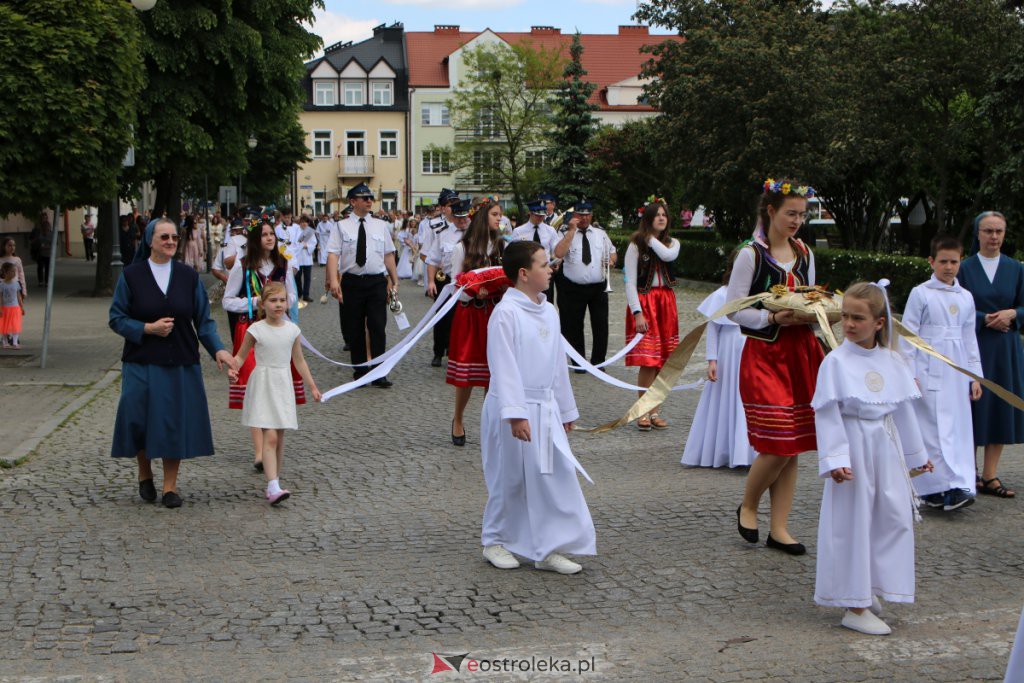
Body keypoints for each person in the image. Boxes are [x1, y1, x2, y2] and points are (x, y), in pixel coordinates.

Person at [813, 282, 933, 636]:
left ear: (879, 323)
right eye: (845, 317)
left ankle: (871, 587)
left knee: (891, 517)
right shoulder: (835, 362)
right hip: (853, 448)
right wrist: (835, 458)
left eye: (858, 318)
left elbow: (902, 409)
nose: (848, 324)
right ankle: (854, 603)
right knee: (854, 521)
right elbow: (827, 413)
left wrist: (917, 455)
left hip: (885, 446)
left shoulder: (894, 360)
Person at [480, 240, 596, 574]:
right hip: (512, 408)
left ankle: (548, 546)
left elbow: (557, 364)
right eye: (544, 264)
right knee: (509, 477)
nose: (550, 269)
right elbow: (504, 367)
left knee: (549, 475)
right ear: (523, 273)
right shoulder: (505, 314)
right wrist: (515, 415)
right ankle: (495, 539)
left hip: (544, 408)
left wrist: (565, 410)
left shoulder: (549, 310)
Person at [109, 218, 235, 508]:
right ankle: (144, 472)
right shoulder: (131, 275)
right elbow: (116, 318)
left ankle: (170, 487)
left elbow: (203, 322)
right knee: (138, 419)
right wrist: (147, 329)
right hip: (140, 362)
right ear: (150, 240)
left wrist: (218, 350)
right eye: (164, 236)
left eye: (175, 237)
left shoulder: (188, 277)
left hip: (180, 360)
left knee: (172, 423)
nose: (170, 241)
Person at [729, 179, 823, 555]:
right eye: (791, 213)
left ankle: (779, 527)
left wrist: (818, 317)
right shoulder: (750, 254)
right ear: (770, 211)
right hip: (766, 355)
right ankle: (749, 504)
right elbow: (734, 309)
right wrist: (771, 320)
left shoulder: (804, 253)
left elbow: (813, 300)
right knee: (779, 443)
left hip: (801, 354)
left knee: (794, 443)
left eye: (802, 214)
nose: (797, 221)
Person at [901, 234, 983, 511]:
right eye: (943, 261)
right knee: (933, 430)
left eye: (954, 262)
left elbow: (969, 338)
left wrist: (974, 376)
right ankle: (936, 488)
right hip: (928, 371)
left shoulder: (966, 297)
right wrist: (909, 372)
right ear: (931, 261)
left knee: (957, 429)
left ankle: (958, 483)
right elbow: (908, 336)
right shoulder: (921, 293)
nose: (949, 267)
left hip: (956, 373)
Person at [229, 282, 321, 505]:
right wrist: (234, 369)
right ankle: (273, 485)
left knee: (279, 437)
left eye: (282, 300)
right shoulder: (256, 329)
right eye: (273, 301)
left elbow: (299, 361)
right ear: (263, 304)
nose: (278, 305)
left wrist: (312, 386)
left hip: (282, 384)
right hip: (263, 384)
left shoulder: (292, 330)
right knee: (269, 435)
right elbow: (241, 356)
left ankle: (275, 481)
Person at [223, 220, 302, 470]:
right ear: (255, 240)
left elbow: (291, 295)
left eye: (272, 234)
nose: (269, 238)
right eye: (264, 235)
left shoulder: (283, 264)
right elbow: (227, 301)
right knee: (255, 387)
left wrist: (280, 304)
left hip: (277, 331)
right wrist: (255, 302)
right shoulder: (243, 266)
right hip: (250, 330)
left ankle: (271, 448)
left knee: (274, 386)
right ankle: (259, 452)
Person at [958, 211, 1024, 499]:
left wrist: (1013, 314)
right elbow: (954, 306)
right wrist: (983, 318)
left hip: (1006, 348)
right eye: (988, 231)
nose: (994, 237)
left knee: (998, 406)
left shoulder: (1016, 268)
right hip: (974, 344)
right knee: (972, 408)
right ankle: (967, 472)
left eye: (999, 231)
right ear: (978, 233)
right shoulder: (964, 268)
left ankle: (990, 475)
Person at [681, 251, 756, 468]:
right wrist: (712, 359)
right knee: (728, 397)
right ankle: (726, 450)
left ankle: (750, 451)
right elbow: (713, 328)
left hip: (753, 348)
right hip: (729, 350)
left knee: (749, 397)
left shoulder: (759, 294)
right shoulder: (722, 294)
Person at [327, 184, 400, 388]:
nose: (369, 201)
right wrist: (334, 280)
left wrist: (395, 280)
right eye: (364, 197)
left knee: (378, 326)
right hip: (352, 281)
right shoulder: (340, 226)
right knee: (355, 328)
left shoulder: (380, 225)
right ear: (352, 201)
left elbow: (388, 254)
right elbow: (333, 254)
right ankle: (360, 371)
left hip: (376, 281)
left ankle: (379, 372)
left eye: (370, 198)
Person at [448, 198, 507, 446]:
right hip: (470, 314)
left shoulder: (500, 246)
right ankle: (458, 418)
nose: (499, 219)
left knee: (492, 374)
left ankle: (489, 423)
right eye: (495, 214)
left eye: (500, 215)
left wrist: (500, 287)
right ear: (483, 217)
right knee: (468, 374)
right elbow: (455, 285)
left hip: (494, 313)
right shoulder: (462, 247)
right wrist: (474, 291)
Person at [624, 199, 680, 430]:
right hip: (646, 303)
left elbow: (667, 256)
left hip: (666, 302)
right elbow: (629, 281)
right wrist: (637, 312)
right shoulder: (635, 245)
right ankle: (642, 411)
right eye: (656, 215)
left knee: (662, 362)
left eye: (664, 215)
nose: (661, 218)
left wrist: (649, 238)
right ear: (647, 219)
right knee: (648, 361)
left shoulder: (672, 243)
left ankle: (656, 410)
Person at [553, 199, 617, 369]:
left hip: (598, 287)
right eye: (580, 214)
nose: (584, 218)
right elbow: (558, 253)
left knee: (600, 324)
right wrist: (571, 232)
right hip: (572, 287)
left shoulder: (600, 233)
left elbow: (612, 252)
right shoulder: (564, 233)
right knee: (573, 325)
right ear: (574, 215)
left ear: (591, 215)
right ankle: (579, 362)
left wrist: (611, 261)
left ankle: (599, 361)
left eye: (587, 214)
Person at [425, 189, 463, 367]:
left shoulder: (471, 230)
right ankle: (438, 351)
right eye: (450, 205)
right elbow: (428, 256)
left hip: (465, 281)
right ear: (443, 208)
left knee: (461, 318)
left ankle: (456, 351)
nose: (454, 208)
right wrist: (431, 280)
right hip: (445, 279)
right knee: (441, 316)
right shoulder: (438, 230)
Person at [512, 199, 560, 302]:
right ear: (530, 213)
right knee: (526, 301)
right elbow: (513, 253)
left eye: (542, 215)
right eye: (537, 215)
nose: (541, 218)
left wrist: (555, 261)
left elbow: (556, 250)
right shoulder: (518, 231)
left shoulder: (550, 230)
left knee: (546, 302)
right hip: (527, 274)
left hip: (545, 272)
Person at [293, 215, 317, 303]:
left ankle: (306, 295)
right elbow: (294, 242)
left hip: (307, 257)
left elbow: (314, 242)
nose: (303, 224)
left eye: (305, 222)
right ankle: (299, 293)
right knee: (297, 277)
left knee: (307, 278)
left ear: (308, 223)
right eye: (302, 222)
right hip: (298, 258)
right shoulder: (296, 231)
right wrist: (300, 246)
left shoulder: (310, 232)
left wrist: (307, 246)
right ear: (300, 223)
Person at [1, 262, 25, 348]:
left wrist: (21, 307)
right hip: (5, 308)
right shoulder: (2, 284)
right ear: (5, 272)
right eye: (12, 271)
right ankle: (5, 342)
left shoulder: (16, 283)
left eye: (14, 271)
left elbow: (19, 296)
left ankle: (15, 342)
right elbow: (0, 297)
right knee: (4, 325)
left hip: (15, 308)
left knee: (15, 325)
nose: (14, 273)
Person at [0, 238, 28, 303]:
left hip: (15, 287)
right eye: (9, 245)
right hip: (3, 287)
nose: (12, 247)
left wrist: (23, 290)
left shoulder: (17, 260)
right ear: (4, 246)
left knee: (15, 307)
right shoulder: (0, 260)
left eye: (14, 245)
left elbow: (21, 276)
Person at [30, 215, 54, 287]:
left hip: (48, 253)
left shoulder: (51, 234)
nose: (46, 227)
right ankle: (41, 281)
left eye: (46, 218)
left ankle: (47, 281)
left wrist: (47, 246)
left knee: (47, 268)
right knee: (40, 267)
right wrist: (37, 244)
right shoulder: (37, 231)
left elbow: (54, 243)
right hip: (40, 253)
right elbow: (32, 240)